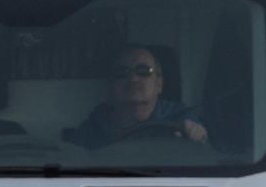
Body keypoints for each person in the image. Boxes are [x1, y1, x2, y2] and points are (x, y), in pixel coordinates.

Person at [68, 45, 208, 148]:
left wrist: (197, 135)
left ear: (159, 83)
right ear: (110, 86)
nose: (133, 79)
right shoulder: (92, 129)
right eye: (122, 73)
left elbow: (205, 154)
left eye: (143, 71)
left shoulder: (183, 120)